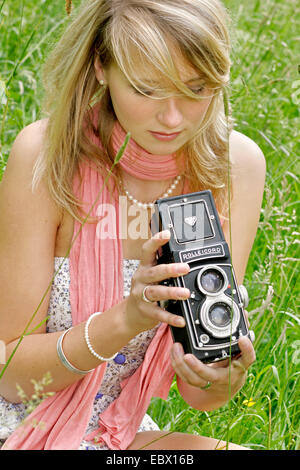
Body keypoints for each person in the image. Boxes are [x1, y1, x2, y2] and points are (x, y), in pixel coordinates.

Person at [0, 0, 265, 450]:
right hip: (19, 423)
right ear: (102, 66)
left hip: (116, 433)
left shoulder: (234, 166)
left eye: (197, 89)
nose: (173, 118)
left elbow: (201, 395)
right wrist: (123, 321)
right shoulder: (46, 154)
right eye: (146, 90)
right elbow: (11, 379)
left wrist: (223, 374)